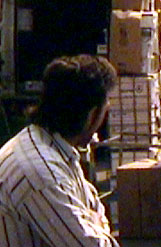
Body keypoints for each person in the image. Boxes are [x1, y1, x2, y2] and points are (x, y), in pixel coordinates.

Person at [0, 55, 119, 246]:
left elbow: (95, 211)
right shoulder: (41, 174)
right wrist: (95, 226)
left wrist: (94, 225)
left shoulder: (55, 148)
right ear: (91, 115)